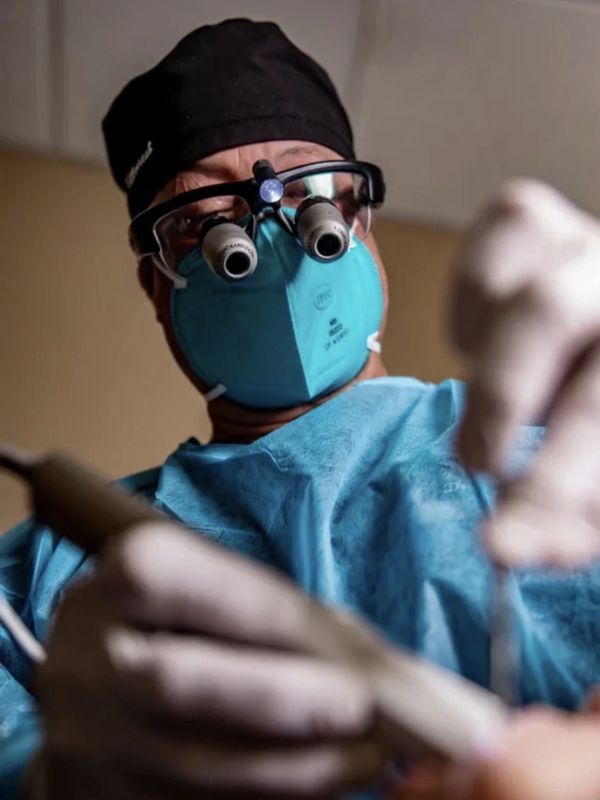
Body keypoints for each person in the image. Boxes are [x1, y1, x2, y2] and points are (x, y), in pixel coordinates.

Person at [2, 17, 600, 800]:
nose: (267, 234)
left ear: (364, 229)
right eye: (203, 225)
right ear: (156, 289)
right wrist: (52, 779)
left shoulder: (556, 447)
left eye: (309, 194)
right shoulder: (53, 559)